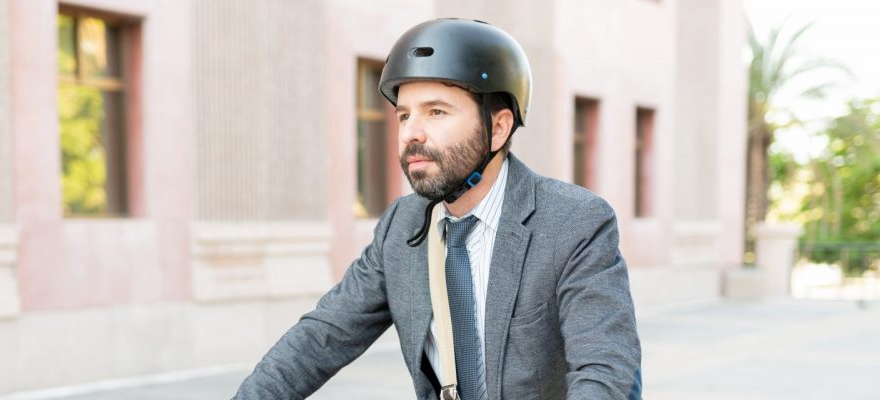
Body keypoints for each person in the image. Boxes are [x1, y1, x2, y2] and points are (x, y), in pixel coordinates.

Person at [234, 18, 641, 399]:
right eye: (404, 115)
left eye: (436, 112)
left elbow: (604, 371)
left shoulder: (573, 223)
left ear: (497, 128)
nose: (411, 133)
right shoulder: (401, 225)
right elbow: (320, 339)